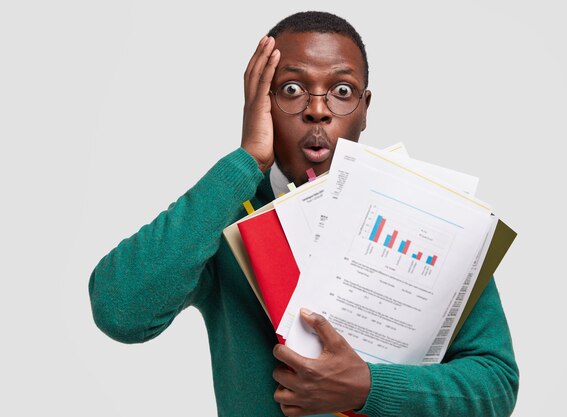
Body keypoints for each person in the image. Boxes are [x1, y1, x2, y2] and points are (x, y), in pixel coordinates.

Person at [89, 11, 519, 417]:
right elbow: (120, 312)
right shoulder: (225, 214)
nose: (318, 109)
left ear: (365, 109)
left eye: (342, 91)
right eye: (292, 90)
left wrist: (369, 388)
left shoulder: (431, 215)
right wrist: (245, 163)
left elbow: (496, 384)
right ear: (264, 103)